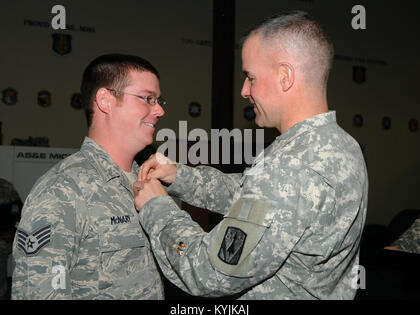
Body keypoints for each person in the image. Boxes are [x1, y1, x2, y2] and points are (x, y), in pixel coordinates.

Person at [133, 11, 369, 299]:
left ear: (285, 76)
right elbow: (256, 200)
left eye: (250, 77)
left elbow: (209, 273)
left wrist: (157, 206)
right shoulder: (341, 146)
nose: (244, 90)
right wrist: (180, 176)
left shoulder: (291, 165)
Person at [12, 54, 166, 299]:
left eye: (158, 100)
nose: (159, 110)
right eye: (147, 98)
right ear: (105, 100)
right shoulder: (63, 190)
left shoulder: (148, 182)